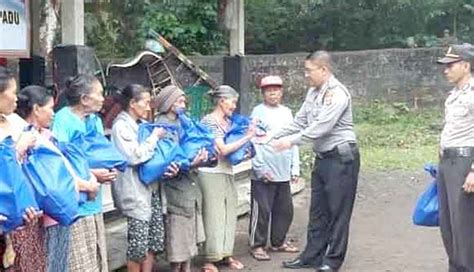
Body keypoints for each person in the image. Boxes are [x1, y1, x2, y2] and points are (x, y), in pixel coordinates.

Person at [273, 51, 360, 272]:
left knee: (338, 212)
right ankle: (311, 256)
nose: (306, 75)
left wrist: (290, 142)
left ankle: (332, 261)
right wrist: (274, 136)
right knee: (318, 211)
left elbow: (321, 127)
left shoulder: (338, 94)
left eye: (309, 70)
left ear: (324, 70)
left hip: (341, 159)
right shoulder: (314, 92)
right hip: (322, 158)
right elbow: (300, 121)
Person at [15, 85, 100, 272]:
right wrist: (88, 185)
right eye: (50, 108)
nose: (53, 114)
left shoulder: (46, 136)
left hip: (57, 213)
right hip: (48, 215)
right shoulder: (30, 139)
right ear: (36, 109)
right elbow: (55, 177)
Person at [52, 74, 116, 272]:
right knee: (79, 264)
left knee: (95, 261)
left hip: (94, 201)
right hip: (75, 205)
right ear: (84, 99)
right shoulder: (63, 120)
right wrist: (93, 173)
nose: (103, 98)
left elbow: (99, 153)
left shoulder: (95, 121)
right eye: (99, 94)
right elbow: (60, 163)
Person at [111, 84, 175, 272]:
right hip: (134, 191)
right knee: (137, 246)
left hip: (151, 190)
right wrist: (154, 137)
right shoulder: (121, 127)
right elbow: (134, 156)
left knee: (153, 242)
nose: (149, 107)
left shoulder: (140, 125)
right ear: (132, 103)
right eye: (146, 103)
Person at [198, 85, 256, 272]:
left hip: (227, 171)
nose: (234, 106)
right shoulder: (209, 121)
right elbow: (222, 149)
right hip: (211, 173)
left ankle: (225, 254)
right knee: (213, 214)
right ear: (222, 101)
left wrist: (246, 153)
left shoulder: (230, 122)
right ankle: (210, 258)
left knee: (230, 212)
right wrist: (247, 137)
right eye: (232, 101)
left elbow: (233, 152)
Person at [153, 85, 208, 272]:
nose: (183, 105)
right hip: (175, 189)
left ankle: (187, 268)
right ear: (168, 104)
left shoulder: (182, 121)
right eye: (179, 101)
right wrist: (192, 163)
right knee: (177, 236)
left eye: (184, 101)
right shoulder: (161, 125)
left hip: (189, 186)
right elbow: (168, 159)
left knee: (189, 234)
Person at [248, 75, 300, 261]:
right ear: (263, 93)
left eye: (276, 90)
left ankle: (278, 242)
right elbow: (254, 142)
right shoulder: (257, 112)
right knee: (262, 210)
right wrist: (260, 169)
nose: (273, 93)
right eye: (269, 90)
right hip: (264, 172)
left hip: (283, 170)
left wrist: (295, 168)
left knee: (284, 209)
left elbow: (294, 139)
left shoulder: (287, 112)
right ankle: (257, 244)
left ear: (282, 92)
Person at [0, 67, 45, 271]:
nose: (17, 98)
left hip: (25, 216)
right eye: (13, 91)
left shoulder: (14, 121)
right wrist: (19, 148)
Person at [436, 43, 474, 271]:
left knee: (465, 225)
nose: (446, 70)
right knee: (448, 224)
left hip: (465, 162)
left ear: (466, 66)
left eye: (451, 65)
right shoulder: (453, 95)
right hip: (448, 163)